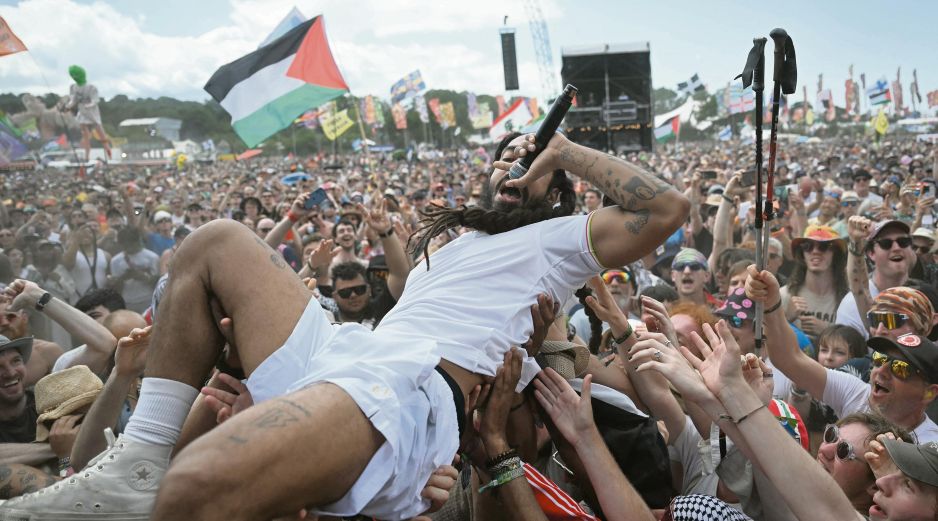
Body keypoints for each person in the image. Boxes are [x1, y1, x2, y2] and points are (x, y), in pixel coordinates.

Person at [0, 131, 688, 520]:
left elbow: (666, 208)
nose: (515, 162)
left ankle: (156, 483)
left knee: (195, 490)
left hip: (406, 398)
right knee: (214, 243)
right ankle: (137, 463)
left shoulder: (553, 242)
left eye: (528, 160)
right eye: (506, 156)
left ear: (559, 197)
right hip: (350, 355)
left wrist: (563, 151)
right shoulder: (453, 250)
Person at [748, 266, 938, 442]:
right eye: (879, 360)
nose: (881, 371)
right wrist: (772, 305)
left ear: (930, 392)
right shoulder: (856, 393)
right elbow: (790, 359)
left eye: (900, 368)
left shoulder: (930, 448)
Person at [838, 218, 915, 338]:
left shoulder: (924, 296)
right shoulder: (852, 305)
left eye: (903, 241)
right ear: (871, 253)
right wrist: (856, 243)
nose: (896, 248)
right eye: (886, 244)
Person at [782, 225, 849, 343]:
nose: (815, 251)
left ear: (836, 254)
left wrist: (826, 331)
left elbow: (856, 346)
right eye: (807, 246)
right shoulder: (784, 295)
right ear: (802, 253)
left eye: (823, 247)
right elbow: (768, 340)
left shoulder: (847, 301)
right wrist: (787, 319)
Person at [63, 65, 111, 161]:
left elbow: (95, 100)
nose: (74, 77)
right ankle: (87, 156)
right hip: (82, 112)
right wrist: (68, 106)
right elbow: (73, 100)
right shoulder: (73, 87)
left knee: (101, 133)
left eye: (75, 75)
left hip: (92, 112)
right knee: (85, 135)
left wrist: (89, 105)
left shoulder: (91, 87)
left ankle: (108, 151)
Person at [107, 228, 160, 314]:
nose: (128, 247)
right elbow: (116, 288)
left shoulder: (152, 257)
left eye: (131, 244)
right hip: (127, 302)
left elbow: (157, 283)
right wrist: (122, 278)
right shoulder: (115, 261)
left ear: (137, 241)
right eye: (125, 245)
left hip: (148, 301)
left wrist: (141, 276)